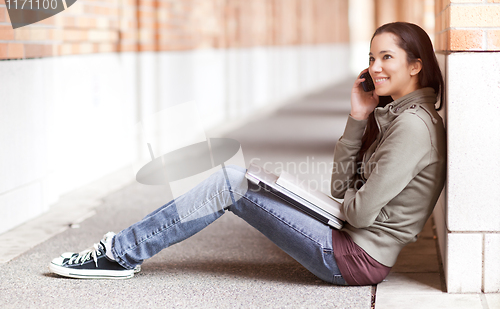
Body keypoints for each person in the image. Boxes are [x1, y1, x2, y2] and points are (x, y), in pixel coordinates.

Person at [49, 22, 446, 286]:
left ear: (416, 65)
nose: (375, 67)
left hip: (354, 257)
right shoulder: (398, 117)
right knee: (246, 179)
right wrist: (358, 118)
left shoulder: (412, 126)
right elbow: (343, 191)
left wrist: (337, 199)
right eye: (372, 58)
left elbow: (356, 212)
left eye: (387, 58)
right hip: (350, 238)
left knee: (229, 182)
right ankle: (122, 251)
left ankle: (119, 254)